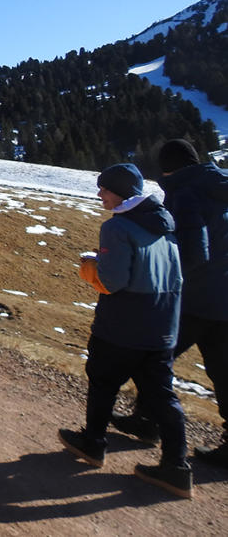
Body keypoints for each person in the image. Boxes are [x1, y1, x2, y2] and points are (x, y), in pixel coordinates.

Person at [59, 163, 191, 498]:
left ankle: (93, 444)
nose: (99, 194)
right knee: (162, 394)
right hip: (163, 326)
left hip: (123, 325)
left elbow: (112, 281)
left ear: (120, 191)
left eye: (104, 188)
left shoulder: (117, 227)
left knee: (103, 381)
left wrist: (89, 267)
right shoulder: (164, 223)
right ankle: (177, 468)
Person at [112, 139, 228, 467]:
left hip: (193, 300)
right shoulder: (219, 187)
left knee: (151, 358)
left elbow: (192, 252)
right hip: (223, 297)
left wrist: (160, 274)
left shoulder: (186, 192)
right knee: (223, 370)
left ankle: (152, 426)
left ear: (167, 169)